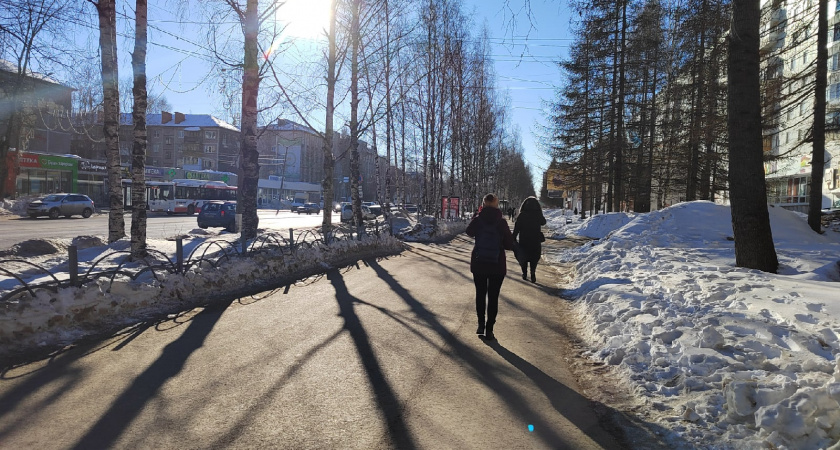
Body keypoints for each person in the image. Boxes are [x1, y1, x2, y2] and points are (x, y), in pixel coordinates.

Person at [466, 193, 513, 341]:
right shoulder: (502, 222)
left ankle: (480, 324)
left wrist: (477, 215)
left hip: (479, 263)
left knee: (480, 294)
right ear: (497, 204)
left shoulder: (479, 220)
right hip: (497, 265)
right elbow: (509, 244)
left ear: (484, 204)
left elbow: (469, 232)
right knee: (493, 297)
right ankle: (489, 329)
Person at [513, 196, 546, 283]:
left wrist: (513, 238)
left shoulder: (522, 215)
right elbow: (543, 222)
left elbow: (516, 228)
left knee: (523, 258)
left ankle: (524, 273)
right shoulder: (538, 215)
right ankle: (532, 272)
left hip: (524, 241)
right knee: (534, 258)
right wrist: (539, 213)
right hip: (535, 241)